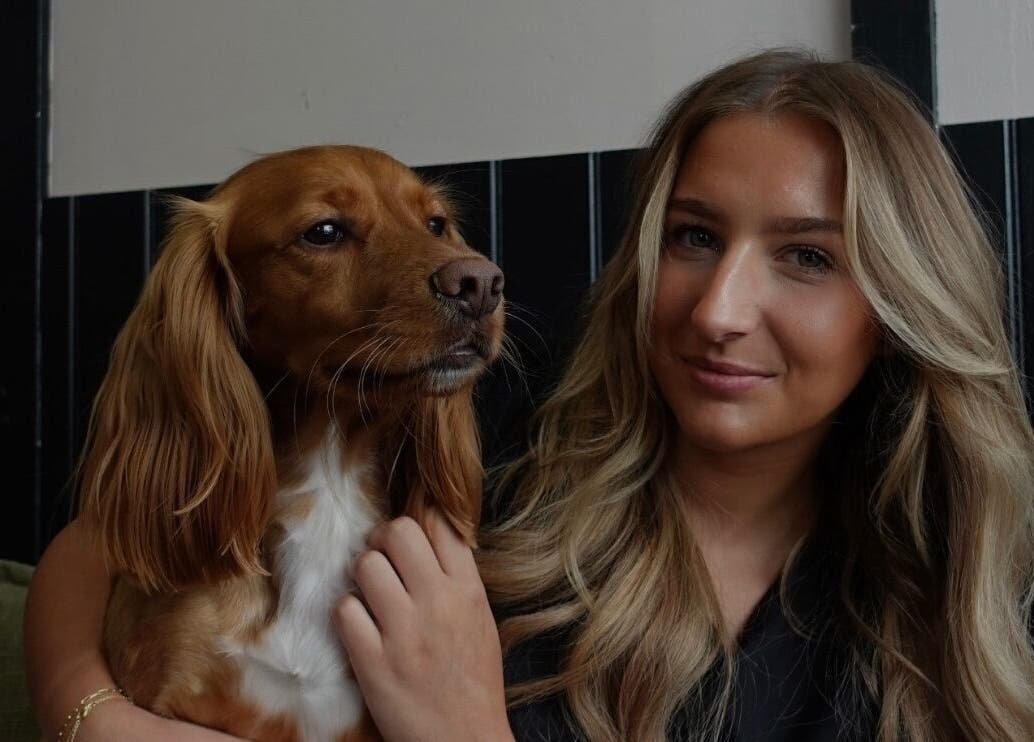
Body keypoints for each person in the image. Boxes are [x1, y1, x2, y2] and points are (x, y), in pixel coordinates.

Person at [24, 49, 1034, 741]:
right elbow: (106, 544)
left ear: (899, 299)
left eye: (806, 256)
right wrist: (94, 714)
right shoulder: (502, 440)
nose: (718, 310)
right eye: (692, 237)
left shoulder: (956, 606)